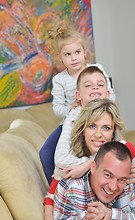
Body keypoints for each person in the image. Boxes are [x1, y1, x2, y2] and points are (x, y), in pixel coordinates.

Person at [39, 98, 135, 220]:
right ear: (83, 129)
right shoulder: (70, 166)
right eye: (92, 126)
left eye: (106, 128)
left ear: (113, 132)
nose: (98, 134)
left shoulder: (123, 153)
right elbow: (51, 196)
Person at [39, 24, 115, 184]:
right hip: (73, 122)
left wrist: (103, 103)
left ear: (84, 52)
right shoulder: (60, 80)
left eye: (77, 52)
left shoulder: (96, 69)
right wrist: (71, 108)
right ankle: (56, 188)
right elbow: (57, 108)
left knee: (115, 147)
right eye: (68, 54)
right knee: (46, 153)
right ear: (60, 57)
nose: (73, 58)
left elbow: (111, 95)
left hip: (99, 118)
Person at [46, 141, 135, 220]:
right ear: (93, 167)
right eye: (108, 175)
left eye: (122, 180)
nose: (113, 187)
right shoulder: (69, 187)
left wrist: (111, 215)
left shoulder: (133, 181)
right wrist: (88, 218)